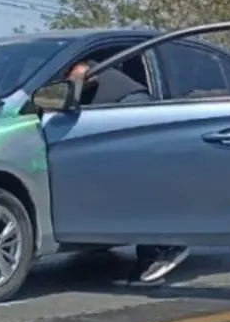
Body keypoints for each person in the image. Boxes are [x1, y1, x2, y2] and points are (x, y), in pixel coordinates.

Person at [67, 60, 189, 283]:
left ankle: (164, 248)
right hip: (112, 111)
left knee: (137, 181)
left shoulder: (80, 64)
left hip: (128, 107)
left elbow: (83, 74)